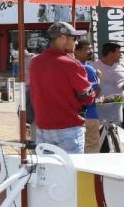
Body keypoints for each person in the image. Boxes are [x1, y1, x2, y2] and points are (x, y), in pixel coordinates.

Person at [28, 22, 95, 154]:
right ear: (63, 38)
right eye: (74, 38)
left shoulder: (35, 61)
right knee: (71, 171)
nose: (77, 42)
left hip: (43, 126)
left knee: (47, 171)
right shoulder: (70, 64)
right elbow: (88, 96)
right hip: (68, 127)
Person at [90, 42, 124, 153]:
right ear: (110, 53)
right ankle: (105, 161)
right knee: (102, 135)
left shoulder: (123, 65)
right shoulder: (93, 66)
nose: (121, 55)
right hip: (103, 106)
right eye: (118, 52)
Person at [74, 41, 103, 153]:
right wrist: (99, 78)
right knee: (91, 151)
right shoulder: (88, 69)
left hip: (73, 116)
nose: (90, 51)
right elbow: (96, 92)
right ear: (76, 51)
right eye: (87, 49)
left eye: (91, 48)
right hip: (90, 114)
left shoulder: (68, 67)